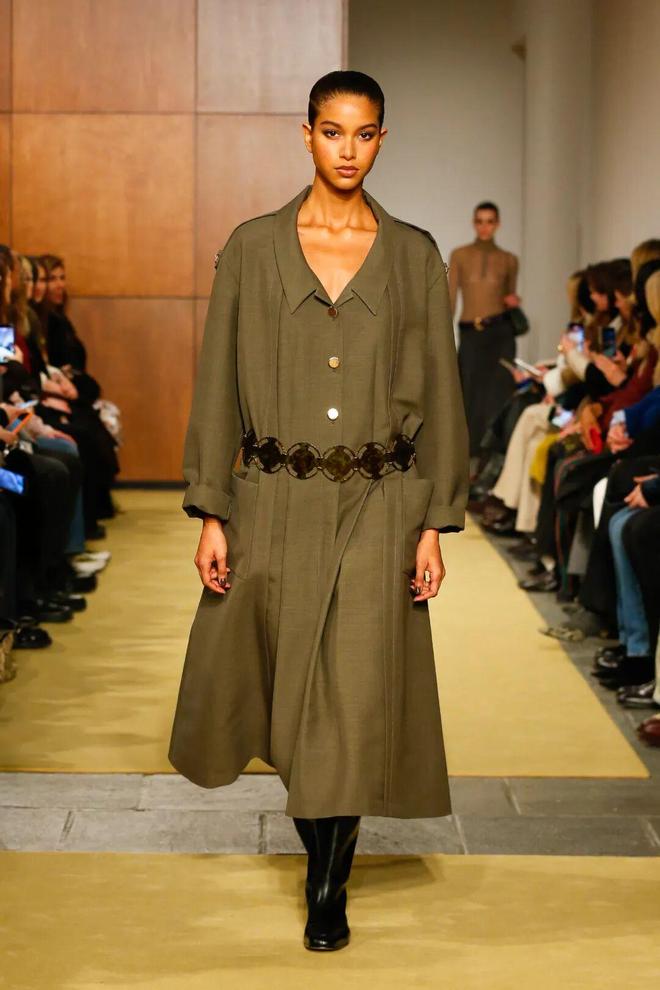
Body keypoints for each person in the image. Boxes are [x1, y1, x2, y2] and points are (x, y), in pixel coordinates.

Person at [168, 70, 469, 952]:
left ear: (382, 139)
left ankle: (327, 882)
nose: (348, 149)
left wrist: (432, 525)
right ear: (306, 134)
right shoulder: (253, 247)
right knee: (287, 695)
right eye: (333, 131)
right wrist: (212, 509)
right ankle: (321, 849)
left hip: (380, 502)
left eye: (364, 134)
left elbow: (441, 396)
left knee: (353, 697)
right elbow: (217, 383)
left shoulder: (412, 255)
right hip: (274, 500)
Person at [448, 201, 520, 468]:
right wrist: (442, 337)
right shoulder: (460, 255)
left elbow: (509, 297)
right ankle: (468, 460)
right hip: (471, 333)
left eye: (490, 221)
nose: (484, 227)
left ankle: (490, 462)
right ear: (474, 223)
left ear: (497, 224)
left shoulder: (509, 260)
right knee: (468, 395)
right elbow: (450, 299)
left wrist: (513, 302)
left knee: (498, 397)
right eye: (480, 221)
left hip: (500, 334)